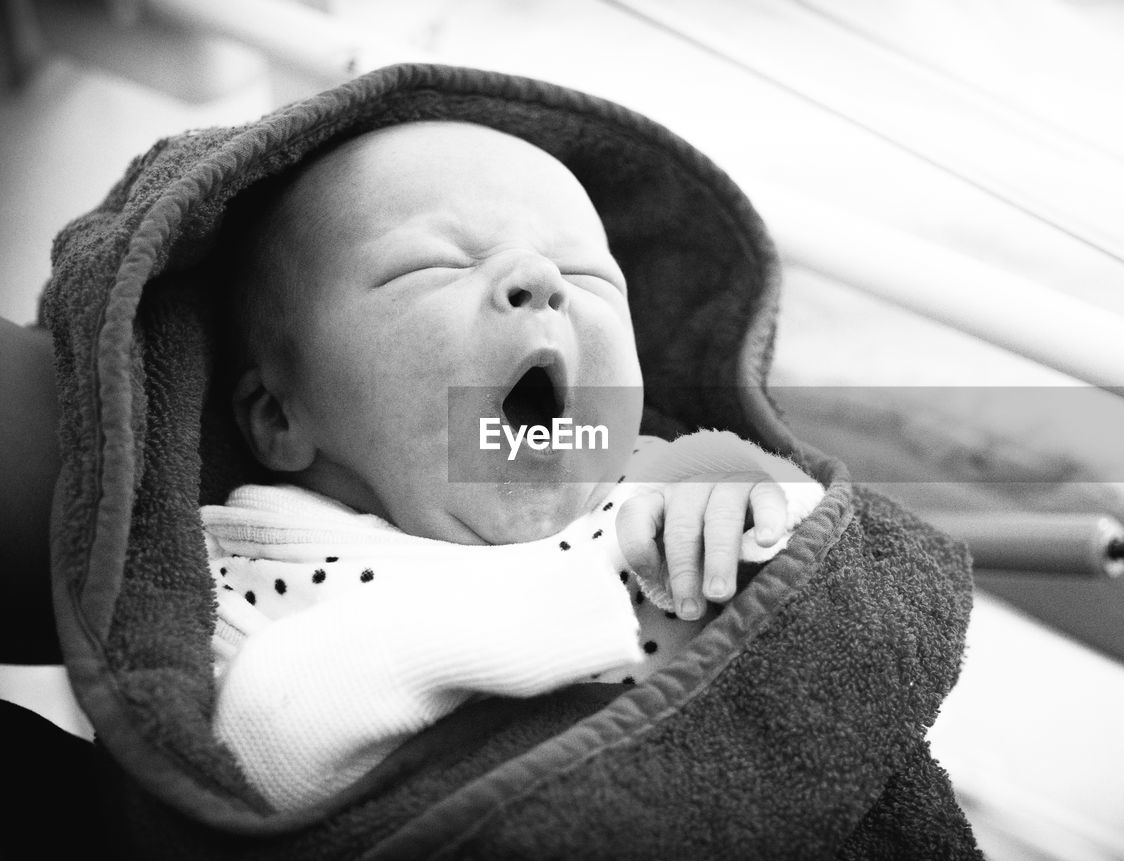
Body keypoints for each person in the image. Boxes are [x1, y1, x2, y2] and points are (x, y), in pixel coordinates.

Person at [207, 120, 824, 811]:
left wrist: (746, 493)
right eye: (433, 266)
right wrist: (561, 599)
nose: (541, 280)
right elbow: (257, 753)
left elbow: (824, 567)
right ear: (279, 417)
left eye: (588, 276)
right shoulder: (258, 564)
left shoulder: (657, 482)